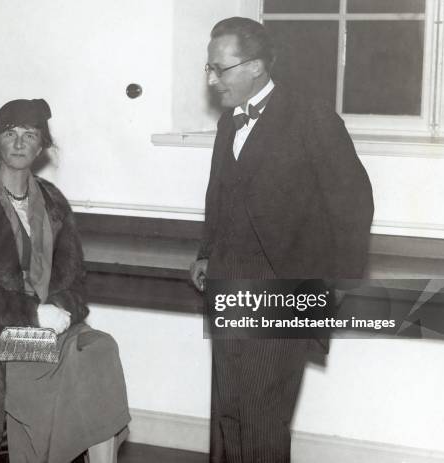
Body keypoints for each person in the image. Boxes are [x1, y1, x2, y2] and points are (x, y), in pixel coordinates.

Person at [189, 17, 374, 462]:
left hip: (282, 287)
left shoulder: (310, 116)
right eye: (208, 70)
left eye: (221, 69)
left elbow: (354, 201)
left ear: (255, 67)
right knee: (229, 409)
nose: (212, 80)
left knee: (261, 414)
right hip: (229, 282)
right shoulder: (229, 122)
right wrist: (206, 252)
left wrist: (327, 283)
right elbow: (220, 192)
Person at [0, 99, 130, 463]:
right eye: (10, 133)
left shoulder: (53, 202)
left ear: (41, 146)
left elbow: (75, 282)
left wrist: (59, 310)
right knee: (69, 357)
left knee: (101, 349)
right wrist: (33, 313)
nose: (20, 142)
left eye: (30, 134)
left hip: (52, 326)